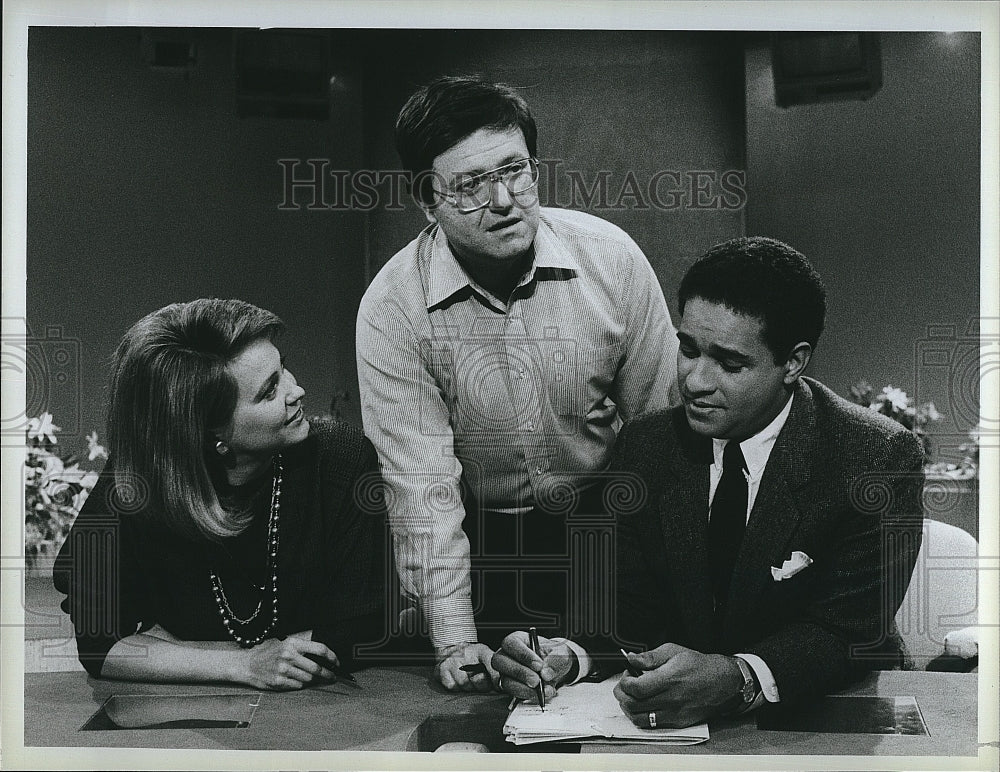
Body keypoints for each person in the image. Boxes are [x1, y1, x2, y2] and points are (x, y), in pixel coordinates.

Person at [492, 237, 925, 727]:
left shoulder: (876, 457)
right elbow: (626, 613)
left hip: (830, 715)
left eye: (729, 363)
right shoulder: (647, 446)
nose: (695, 381)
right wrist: (567, 657)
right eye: (689, 349)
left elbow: (846, 632)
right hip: (683, 733)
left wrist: (737, 676)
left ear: (794, 362)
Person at [356, 75, 678, 691]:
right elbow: (421, 485)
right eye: (471, 185)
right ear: (428, 200)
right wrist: (456, 639)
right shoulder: (394, 309)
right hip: (483, 542)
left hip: (610, 526)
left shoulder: (611, 260)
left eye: (516, 170)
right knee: (495, 707)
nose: (504, 199)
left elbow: (666, 438)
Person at [54, 299, 391, 690]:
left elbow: (358, 627)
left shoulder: (339, 458)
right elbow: (101, 645)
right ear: (209, 435)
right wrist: (241, 665)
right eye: (269, 392)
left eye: (282, 369)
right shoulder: (136, 484)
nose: (297, 390)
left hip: (331, 703)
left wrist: (185, 653)